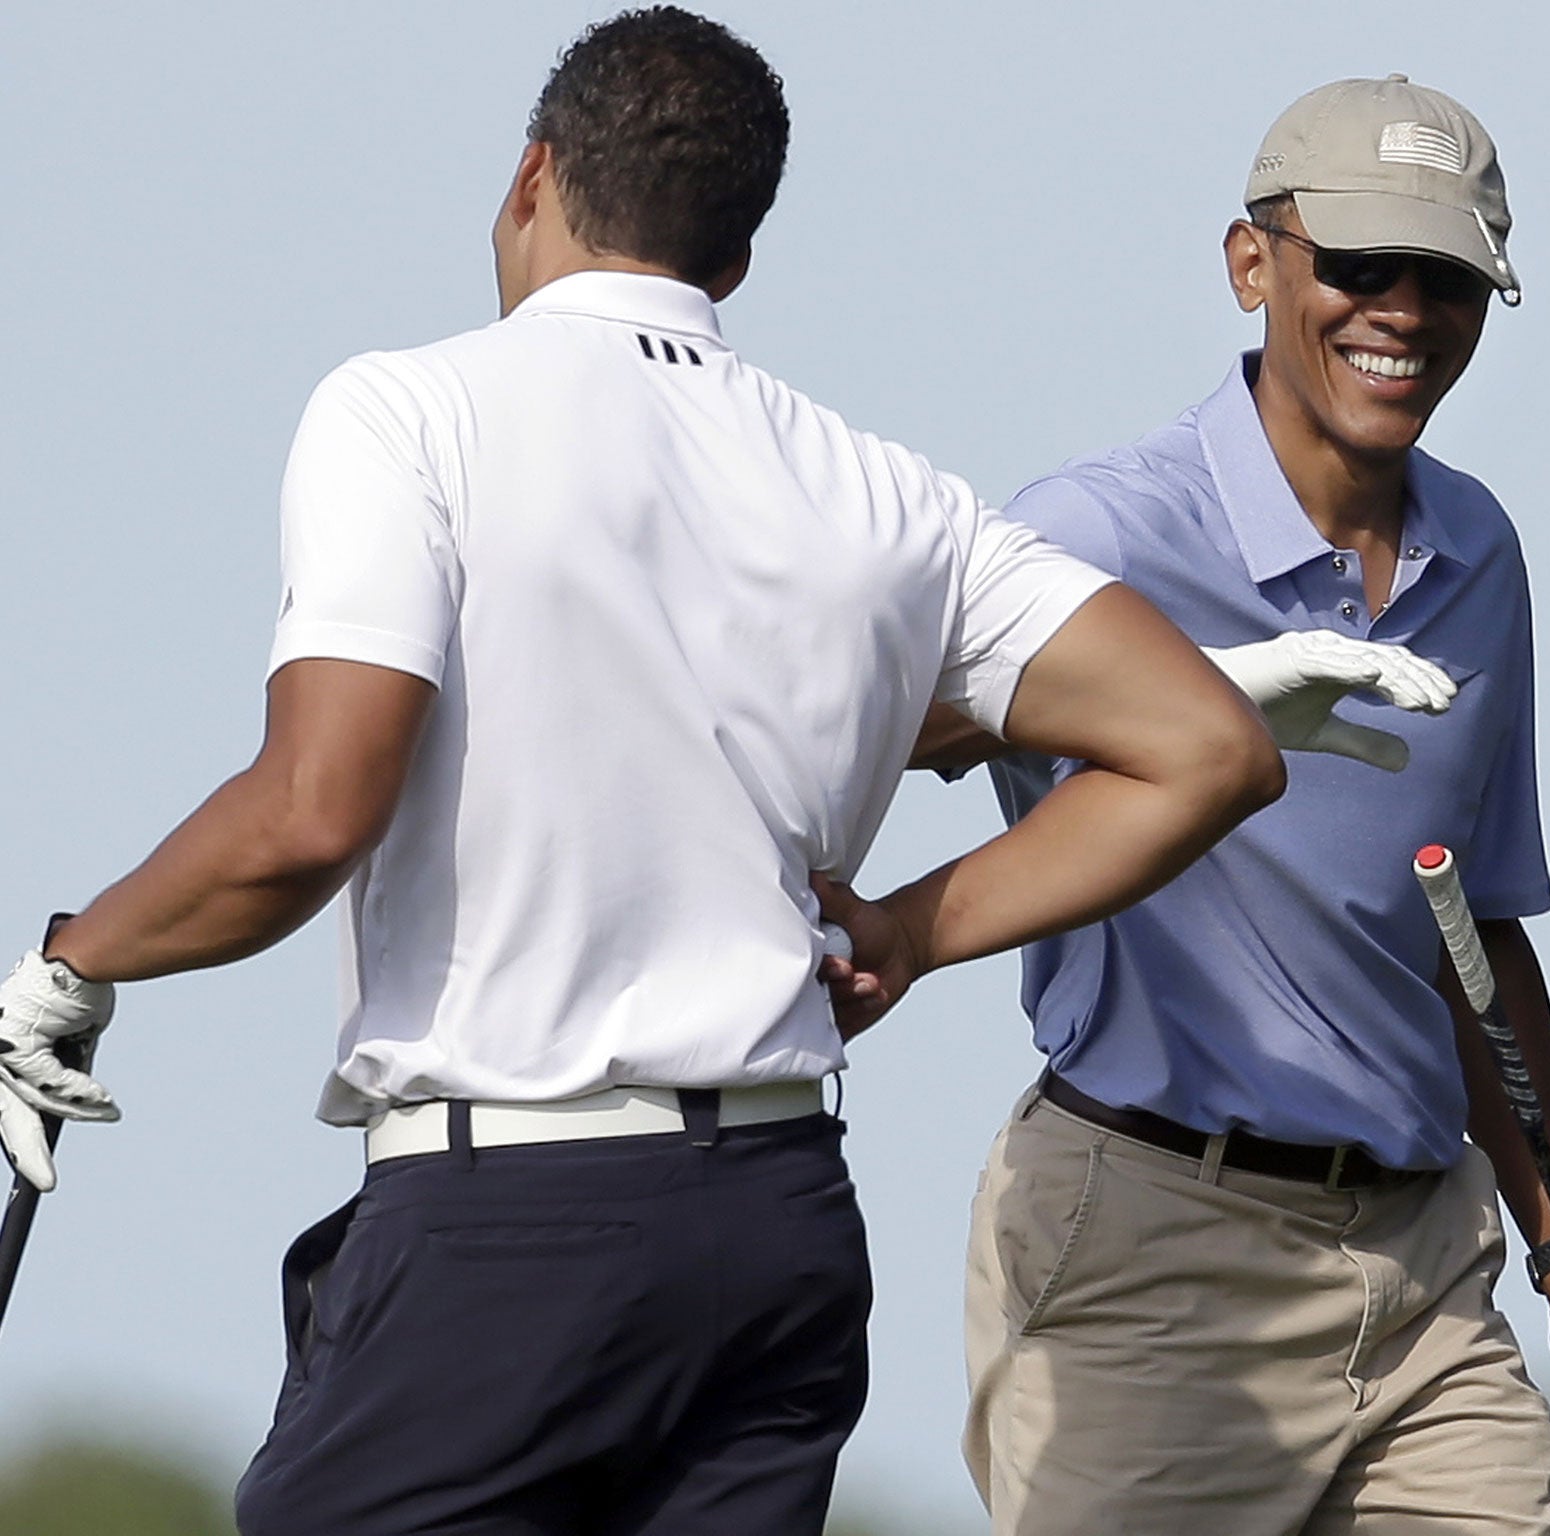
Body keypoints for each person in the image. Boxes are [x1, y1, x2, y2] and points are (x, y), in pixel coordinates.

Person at [0, 11, 1299, 1535]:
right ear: (730, 262)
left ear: (531, 176)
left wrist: (76, 963)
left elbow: (309, 814)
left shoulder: (409, 410)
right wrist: (912, 931)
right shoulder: (887, 494)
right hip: (775, 1229)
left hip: (507, 1232)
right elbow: (1210, 745)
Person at [917, 76, 1550, 1535]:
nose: (1401, 309)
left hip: (1424, 1269)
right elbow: (898, 725)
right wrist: (1199, 694)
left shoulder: (1480, 551)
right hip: (1152, 1245)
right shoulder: (1101, 527)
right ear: (1251, 263)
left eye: (1447, 276)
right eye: (1357, 265)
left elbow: (1474, 940)